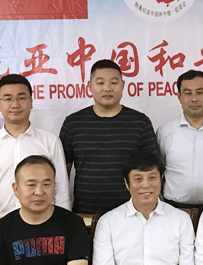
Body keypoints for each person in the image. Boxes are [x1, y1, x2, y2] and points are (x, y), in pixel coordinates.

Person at [59, 59, 158, 214]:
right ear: (89, 86)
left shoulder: (140, 122)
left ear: (122, 86)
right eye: (100, 83)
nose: (107, 88)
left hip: (130, 212)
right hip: (85, 212)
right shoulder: (73, 123)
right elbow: (62, 171)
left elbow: (153, 168)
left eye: (114, 82)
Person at [0, 74, 71, 220]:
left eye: (21, 98)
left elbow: (61, 191)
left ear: (31, 102)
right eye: (8, 99)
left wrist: (63, 224)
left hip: (43, 225)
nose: (15, 105)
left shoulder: (50, 142)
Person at [156, 70, 203, 208]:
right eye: (188, 93)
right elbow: (156, 171)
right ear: (179, 96)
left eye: (199, 92)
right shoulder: (165, 131)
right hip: (173, 208)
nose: (194, 99)